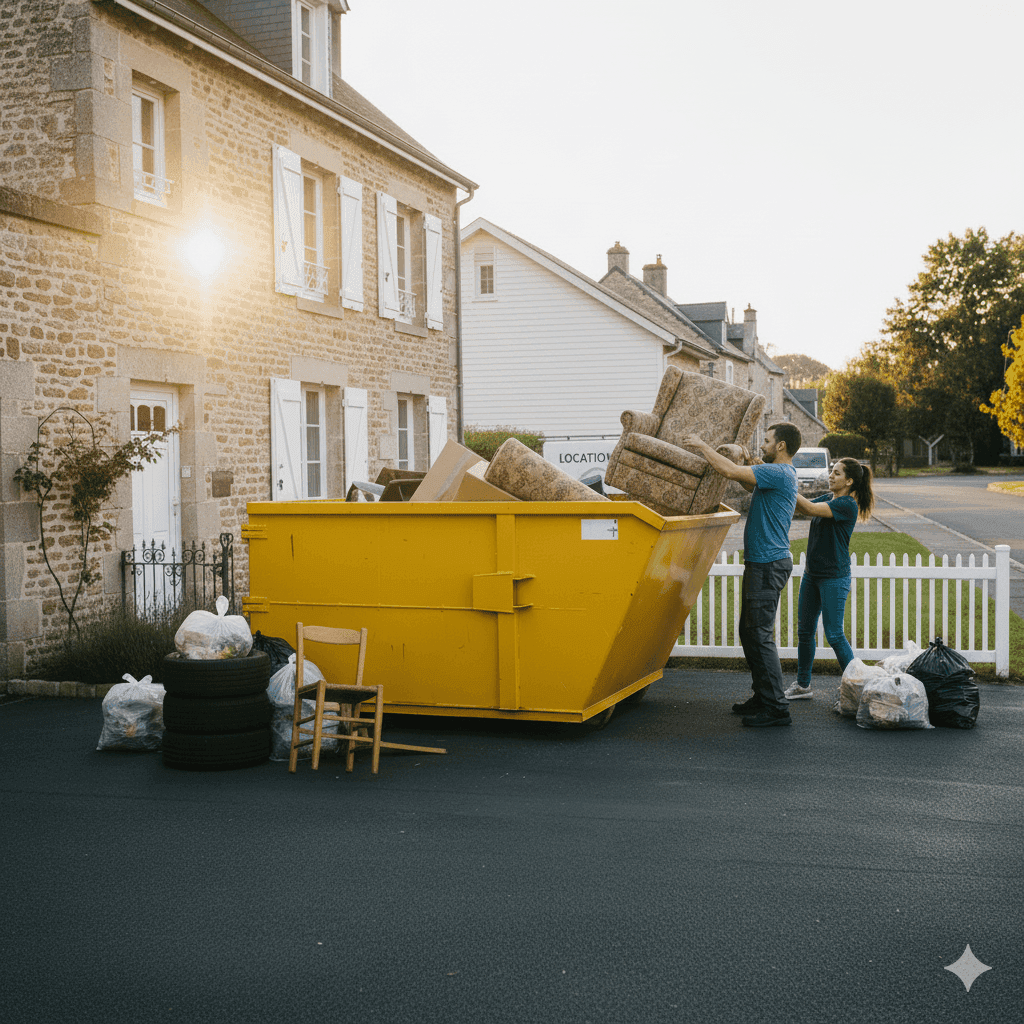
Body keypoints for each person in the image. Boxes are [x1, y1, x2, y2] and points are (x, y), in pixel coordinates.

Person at [680, 422, 801, 727]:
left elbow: (732, 474)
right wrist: (749, 463)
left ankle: (776, 707)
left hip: (767, 564)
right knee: (749, 632)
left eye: (768, 441)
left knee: (759, 635)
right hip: (764, 562)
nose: (763, 445)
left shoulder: (779, 472)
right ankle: (763, 695)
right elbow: (749, 484)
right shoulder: (776, 475)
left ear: (782, 446)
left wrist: (702, 445)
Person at [784, 457, 875, 700]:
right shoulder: (829, 498)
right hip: (812, 574)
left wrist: (786, 483)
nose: (830, 476)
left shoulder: (847, 505)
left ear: (850, 480)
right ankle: (803, 686)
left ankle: (857, 688)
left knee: (834, 634)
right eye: (831, 471)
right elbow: (801, 507)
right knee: (805, 631)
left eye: (836, 473)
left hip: (834, 576)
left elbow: (809, 509)